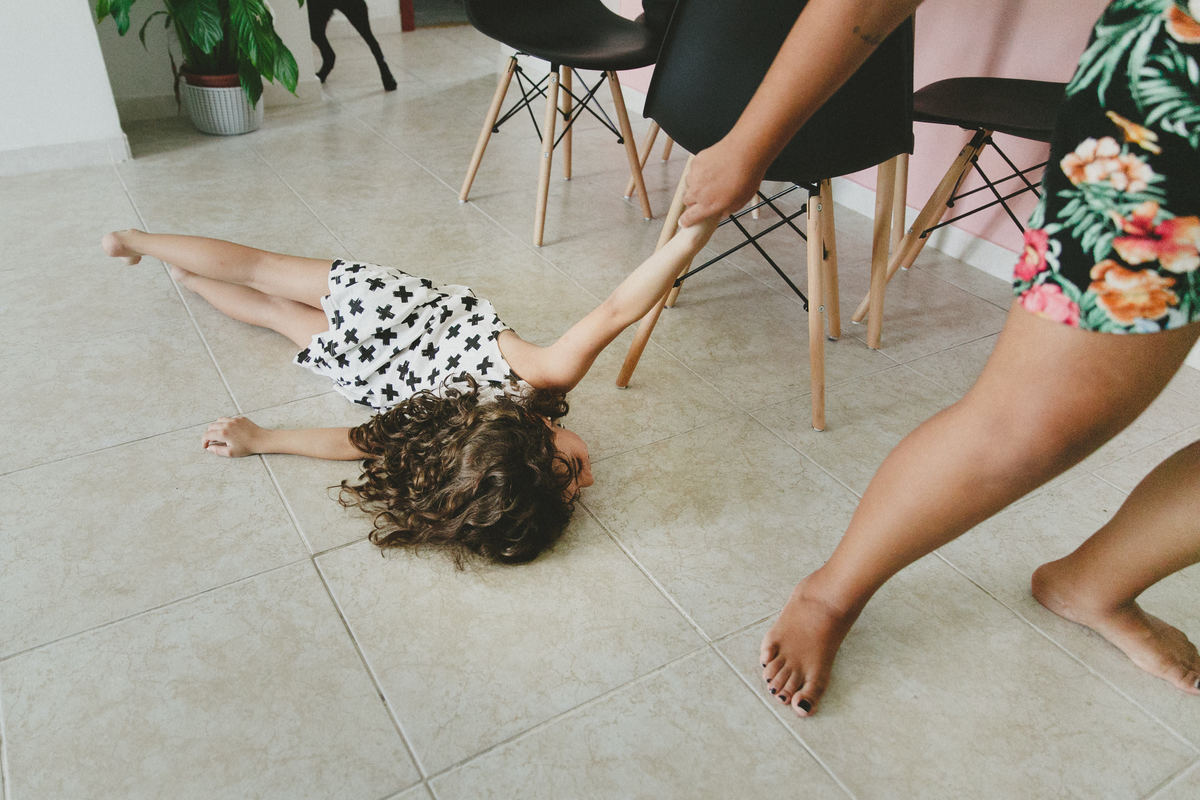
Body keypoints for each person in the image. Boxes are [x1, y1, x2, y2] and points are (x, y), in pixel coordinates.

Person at [677, 0, 1200, 715]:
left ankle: (1096, 583)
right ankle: (831, 595)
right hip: (1180, 94)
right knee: (1037, 424)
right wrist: (749, 144)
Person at [101, 220, 713, 565]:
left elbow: (615, 311)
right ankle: (185, 276)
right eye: (574, 473)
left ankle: (137, 243)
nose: (590, 478)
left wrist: (688, 236)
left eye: (573, 473)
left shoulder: (543, 376)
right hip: (368, 368)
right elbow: (352, 442)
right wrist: (260, 439)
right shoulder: (449, 444)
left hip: (393, 308)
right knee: (269, 310)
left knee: (262, 268)